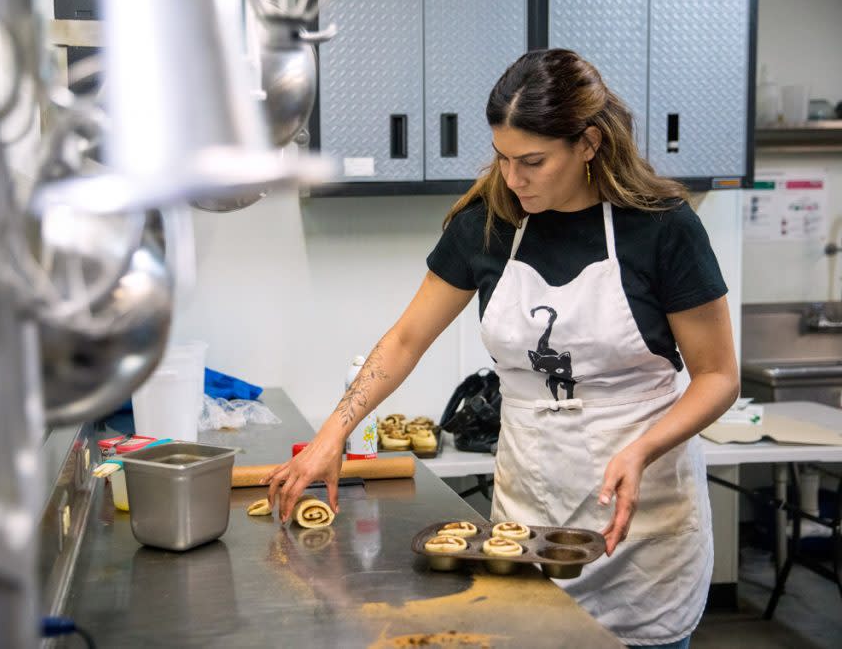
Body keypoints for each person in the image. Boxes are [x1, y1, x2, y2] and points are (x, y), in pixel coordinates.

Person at [263, 49, 739, 648]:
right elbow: (407, 339)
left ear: (588, 143)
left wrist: (643, 449)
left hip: (642, 526)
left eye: (533, 161)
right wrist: (335, 430)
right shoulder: (487, 224)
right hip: (527, 512)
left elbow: (719, 376)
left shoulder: (663, 228)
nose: (514, 178)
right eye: (503, 158)